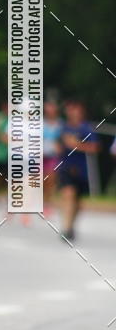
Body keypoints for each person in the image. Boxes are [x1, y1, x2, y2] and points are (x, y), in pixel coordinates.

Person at [58, 100, 99, 241]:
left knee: (78, 202)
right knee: (68, 194)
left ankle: (71, 225)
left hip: (82, 169)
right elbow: (58, 146)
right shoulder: (63, 127)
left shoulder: (86, 129)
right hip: (66, 168)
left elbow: (94, 148)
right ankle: (66, 227)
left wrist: (76, 145)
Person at [42, 100, 62, 215]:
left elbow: (62, 139)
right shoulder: (40, 123)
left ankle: (47, 204)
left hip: (53, 156)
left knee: (51, 180)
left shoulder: (60, 124)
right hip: (39, 155)